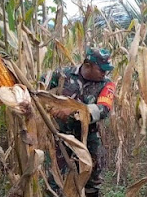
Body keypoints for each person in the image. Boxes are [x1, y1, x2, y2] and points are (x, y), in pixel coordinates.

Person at [44, 48, 116, 197]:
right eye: (101, 70)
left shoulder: (107, 84)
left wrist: (73, 111)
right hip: (60, 134)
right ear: (88, 65)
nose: (105, 74)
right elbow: (41, 91)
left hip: (89, 136)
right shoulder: (61, 75)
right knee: (55, 175)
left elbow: (104, 109)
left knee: (92, 175)